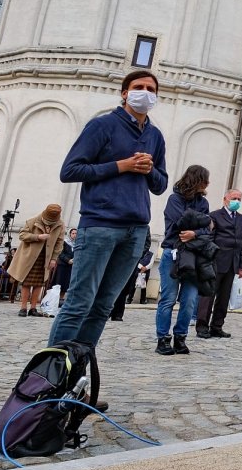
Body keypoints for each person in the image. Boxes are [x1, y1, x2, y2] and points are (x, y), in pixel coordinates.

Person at [50, 69, 168, 349]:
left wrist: (149, 170)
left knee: (104, 305)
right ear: (125, 93)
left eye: (152, 89)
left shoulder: (155, 135)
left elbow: (161, 185)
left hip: (136, 229)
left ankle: (77, 366)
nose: (146, 93)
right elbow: (70, 170)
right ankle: (49, 372)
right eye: (139, 87)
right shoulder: (102, 126)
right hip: (100, 224)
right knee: (79, 302)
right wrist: (121, 165)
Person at [155, 165, 212, 355]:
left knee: (189, 300)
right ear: (197, 180)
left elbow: (208, 229)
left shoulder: (203, 203)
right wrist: (201, 223)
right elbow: (179, 223)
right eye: (205, 179)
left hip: (194, 256)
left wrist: (195, 232)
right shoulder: (174, 199)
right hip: (172, 253)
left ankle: (181, 337)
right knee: (168, 299)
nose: (208, 184)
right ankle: (163, 338)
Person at [196, 189, 242, 339]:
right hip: (216, 261)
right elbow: (209, 239)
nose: (236, 201)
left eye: (239, 199)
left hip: (233, 263)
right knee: (208, 295)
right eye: (234, 198)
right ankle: (202, 326)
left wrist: (241, 265)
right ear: (225, 199)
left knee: (224, 298)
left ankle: (217, 326)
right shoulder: (215, 216)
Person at [8, 204, 66, 317]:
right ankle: (23, 307)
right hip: (29, 257)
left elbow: (59, 243)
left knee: (39, 283)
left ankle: (33, 308)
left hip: (45, 257)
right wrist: (37, 237)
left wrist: (54, 258)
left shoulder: (60, 225)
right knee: (26, 282)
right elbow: (22, 235)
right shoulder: (33, 221)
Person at [110, 240, 153, 320]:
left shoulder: (143, 228)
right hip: (116, 256)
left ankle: (118, 314)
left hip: (131, 260)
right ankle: (107, 311)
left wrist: (136, 256)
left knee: (125, 288)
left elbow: (146, 245)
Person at [54, 228, 77, 302]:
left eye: (76, 233)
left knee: (66, 284)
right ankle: (55, 299)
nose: (74, 235)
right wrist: (68, 260)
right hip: (63, 266)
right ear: (70, 234)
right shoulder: (64, 242)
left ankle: (61, 299)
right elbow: (60, 253)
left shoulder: (77, 244)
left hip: (71, 267)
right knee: (59, 282)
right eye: (73, 233)